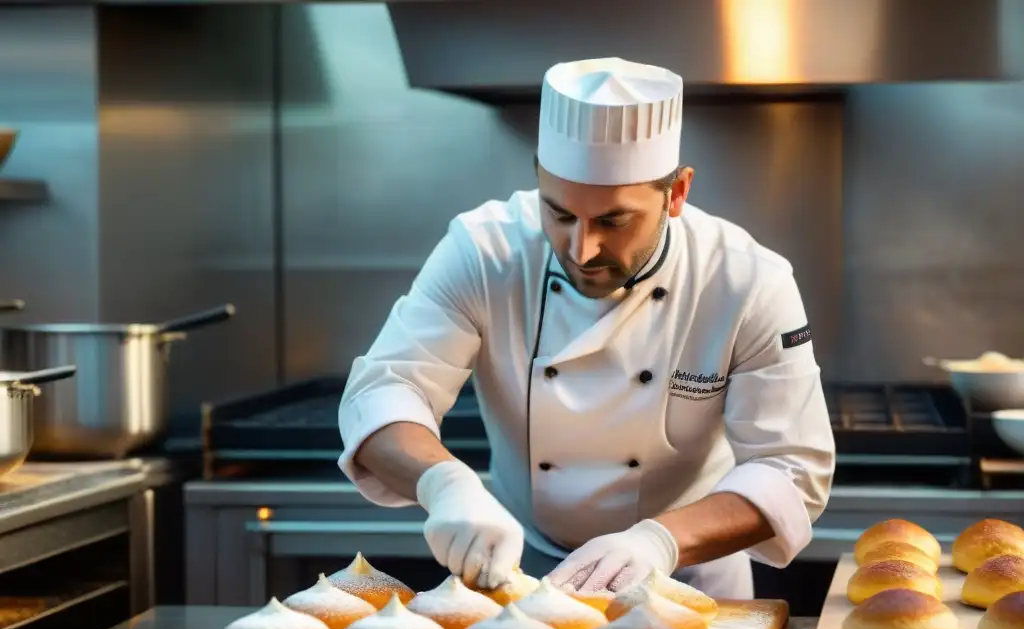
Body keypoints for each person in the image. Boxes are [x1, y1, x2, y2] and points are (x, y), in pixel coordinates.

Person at [337, 57, 835, 599]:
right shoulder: (484, 252)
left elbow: (791, 466)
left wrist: (658, 543)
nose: (581, 250)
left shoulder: (746, 280)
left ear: (677, 193)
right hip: (519, 575)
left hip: (691, 581)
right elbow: (386, 391)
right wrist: (446, 484)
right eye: (560, 215)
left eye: (613, 221)